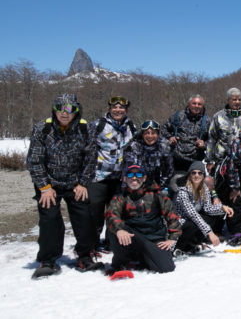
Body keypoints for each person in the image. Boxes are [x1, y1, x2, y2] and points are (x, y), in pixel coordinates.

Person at [27, 94, 101, 277]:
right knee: (50, 220)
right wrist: (44, 187)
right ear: (55, 110)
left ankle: (85, 256)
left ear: (76, 111)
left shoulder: (86, 129)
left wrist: (83, 183)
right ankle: (48, 260)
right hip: (49, 183)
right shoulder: (42, 129)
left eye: (70, 109)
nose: (65, 113)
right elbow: (34, 160)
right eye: (60, 108)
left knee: (84, 218)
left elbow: (91, 159)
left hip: (75, 182)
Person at [106, 165, 181, 274]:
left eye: (139, 174)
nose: (134, 178)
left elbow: (172, 215)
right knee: (113, 230)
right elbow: (111, 215)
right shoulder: (120, 197)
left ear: (144, 178)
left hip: (153, 239)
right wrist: (119, 230)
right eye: (130, 174)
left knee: (166, 267)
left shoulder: (157, 195)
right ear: (125, 178)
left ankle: (143, 258)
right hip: (132, 237)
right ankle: (121, 263)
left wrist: (173, 238)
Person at [87, 95, 137, 252]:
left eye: (121, 107)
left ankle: (111, 241)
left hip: (119, 177)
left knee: (115, 210)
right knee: (95, 210)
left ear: (126, 110)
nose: (118, 110)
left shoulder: (131, 126)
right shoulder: (98, 125)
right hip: (98, 176)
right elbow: (85, 146)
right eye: (115, 107)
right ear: (109, 108)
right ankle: (91, 244)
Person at [173, 162, 233, 254]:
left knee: (211, 218)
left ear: (203, 175)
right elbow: (193, 215)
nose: (196, 175)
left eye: (200, 173)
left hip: (192, 220)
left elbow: (207, 209)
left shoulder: (203, 188)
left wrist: (222, 208)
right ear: (189, 174)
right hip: (179, 223)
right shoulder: (182, 192)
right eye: (194, 173)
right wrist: (210, 233)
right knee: (193, 224)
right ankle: (178, 248)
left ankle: (191, 245)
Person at [206, 87, 241, 173]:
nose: (237, 102)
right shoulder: (218, 116)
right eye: (234, 99)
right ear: (228, 100)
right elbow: (211, 139)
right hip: (222, 160)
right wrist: (210, 161)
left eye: (239, 100)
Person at [123, 120, 174, 192]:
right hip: (137, 181)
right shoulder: (134, 146)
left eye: (153, 133)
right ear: (142, 134)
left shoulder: (164, 146)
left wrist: (161, 186)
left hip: (157, 183)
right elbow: (130, 169)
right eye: (147, 133)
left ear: (158, 134)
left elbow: (168, 170)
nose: (150, 136)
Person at [161, 94, 209, 172]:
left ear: (202, 106)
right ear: (189, 104)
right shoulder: (178, 116)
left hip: (195, 162)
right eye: (194, 103)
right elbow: (163, 130)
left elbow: (213, 140)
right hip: (176, 160)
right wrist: (170, 138)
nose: (196, 106)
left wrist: (204, 144)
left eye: (199, 104)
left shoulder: (207, 121)